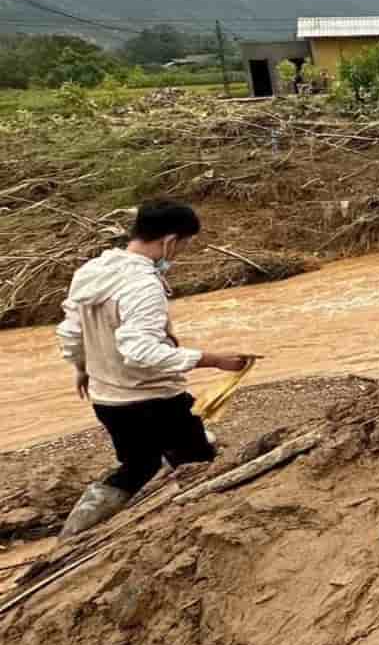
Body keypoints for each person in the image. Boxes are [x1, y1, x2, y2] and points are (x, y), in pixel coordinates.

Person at [55, 200, 258, 537]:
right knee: (197, 462)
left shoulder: (92, 272)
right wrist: (215, 359)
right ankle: (199, 531)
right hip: (153, 400)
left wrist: (81, 366)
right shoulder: (143, 286)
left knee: (138, 465)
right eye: (183, 245)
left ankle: (71, 536)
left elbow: (71, 331)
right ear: (169, 241)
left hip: (107, 400)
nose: (179, 254)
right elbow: (141, 352)